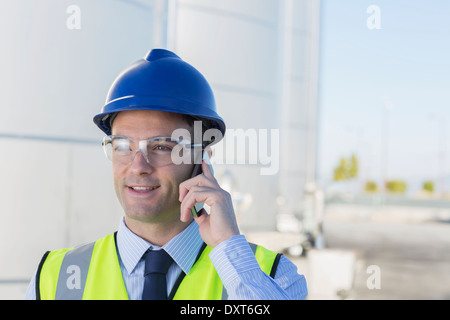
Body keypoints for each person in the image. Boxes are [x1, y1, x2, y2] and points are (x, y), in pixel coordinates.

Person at [25, 49, 307, 300]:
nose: (138, 166)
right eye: (123, 145)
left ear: (201, 159)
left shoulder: (272, 275)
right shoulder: (55, 278)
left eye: (161, 146)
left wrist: (228, 248)